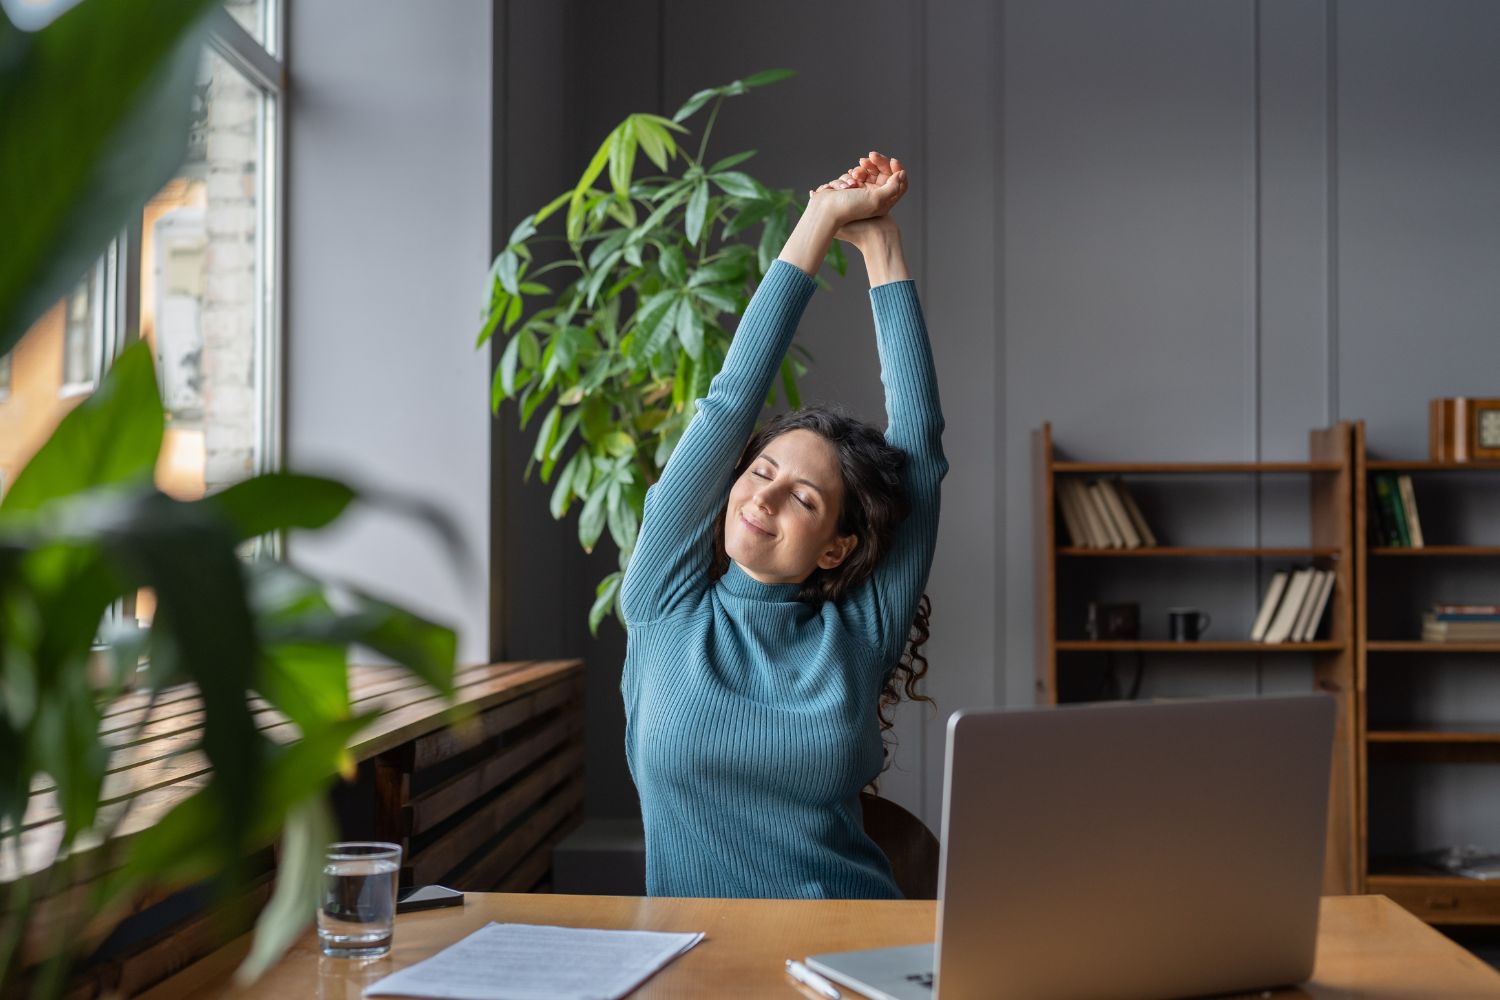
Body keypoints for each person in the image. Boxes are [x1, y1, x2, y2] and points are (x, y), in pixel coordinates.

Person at [620, 151, 946, 899]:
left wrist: (882, 247)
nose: (763, 500)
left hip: (855, 943)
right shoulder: (664, 604)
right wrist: (820, 219)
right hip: (698, 958)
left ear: (837, 546)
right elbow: (730, 402)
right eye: (761, 473)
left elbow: (920, 449)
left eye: (804, 499)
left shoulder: (857, 637)